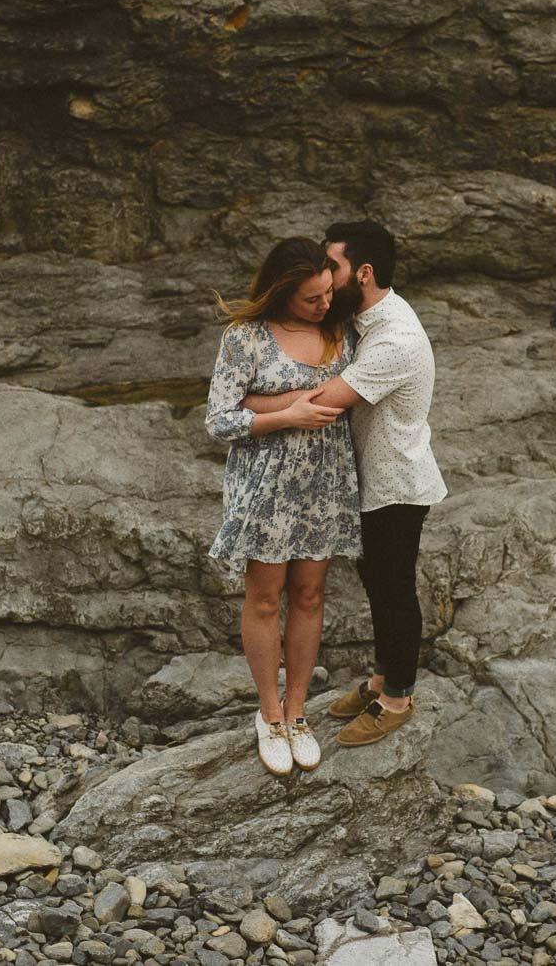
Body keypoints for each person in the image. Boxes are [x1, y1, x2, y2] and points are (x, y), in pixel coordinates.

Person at [240, 220, 446, 747]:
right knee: (379, 585)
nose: (326, 278)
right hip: (371, 481)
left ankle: (397, 698)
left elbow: (323, 404)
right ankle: (381, 679)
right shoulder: (367, 316)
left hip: (396, 484)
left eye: (333, 266)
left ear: (366, 272)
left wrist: (247, 404)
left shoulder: (394, 339)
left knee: (394, 591)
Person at [205, 237, 362, 776]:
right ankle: (268, 715)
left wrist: (265, 401)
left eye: (326, 293)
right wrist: (282, 416)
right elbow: (219, 419)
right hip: (266, 484)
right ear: (280, 292)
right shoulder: (245, 338)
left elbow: (352, 393)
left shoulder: (341, 327)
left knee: (311, 594)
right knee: (266, 598)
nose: (323, 304)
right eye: (310, 299)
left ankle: (298, 713)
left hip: (326, 481)